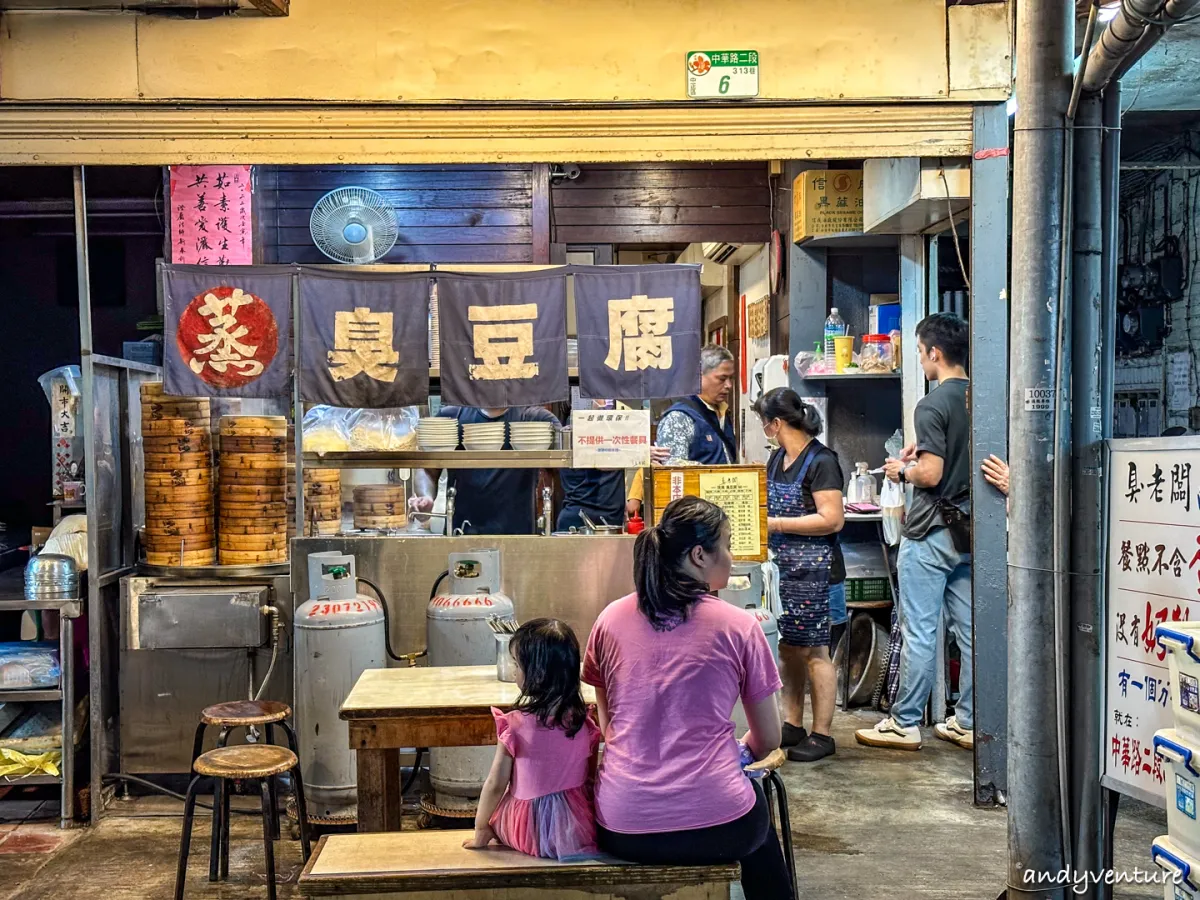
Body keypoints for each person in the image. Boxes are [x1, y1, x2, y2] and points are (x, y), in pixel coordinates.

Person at [583, 496, 793, 900]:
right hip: (718, 822)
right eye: (727, 545)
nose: (731, 557)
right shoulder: (740, 627)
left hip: (623, 825)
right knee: (760, 831)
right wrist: (736, 753)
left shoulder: (609, 619)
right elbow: (769, 739)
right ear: (699, 555)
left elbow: (610, 729)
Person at [855, 312, 973, 752]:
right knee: (971, 630)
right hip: (970, 532)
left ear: (934, 353)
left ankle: (905, 722)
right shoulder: (979, 398)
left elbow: (930, 472)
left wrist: (902, 471)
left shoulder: (933, 403)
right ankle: (969, 720)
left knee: (921, 630)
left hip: (931, 533)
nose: (921, 360)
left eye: (920, 352)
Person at [753, 388, 845, 763]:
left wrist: (776, 523)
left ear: (776, 424)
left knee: (816, 652)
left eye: (764, 422)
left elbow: (831, 518)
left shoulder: (822, 460)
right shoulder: (777, 459)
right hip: (784, 571)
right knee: (789, 649)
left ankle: (823, 734)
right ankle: (792, 723)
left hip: (817, 573)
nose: (764, 429)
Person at [464, 618, 601, 861]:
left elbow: (496, 783)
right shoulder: (585, 723)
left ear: (537, 674)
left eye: (517, 664)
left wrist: (481, 829)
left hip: (527, 830)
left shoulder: (515, 725)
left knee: (501, 816)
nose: (515, 671)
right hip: (574, 831)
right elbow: (589, 780)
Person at [409, 405, 558, 534]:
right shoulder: (451, 417)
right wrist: (426, 497)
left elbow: (564, 465)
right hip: (461, 532)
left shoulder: (535, 419)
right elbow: (428, 469)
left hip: (519, 536)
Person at [656, 344, 739, 464]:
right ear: (699, 376)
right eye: (722, 379)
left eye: (731, 378)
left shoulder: (723, 411)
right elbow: (672, 469)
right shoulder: (679, 417)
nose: (729, 385)